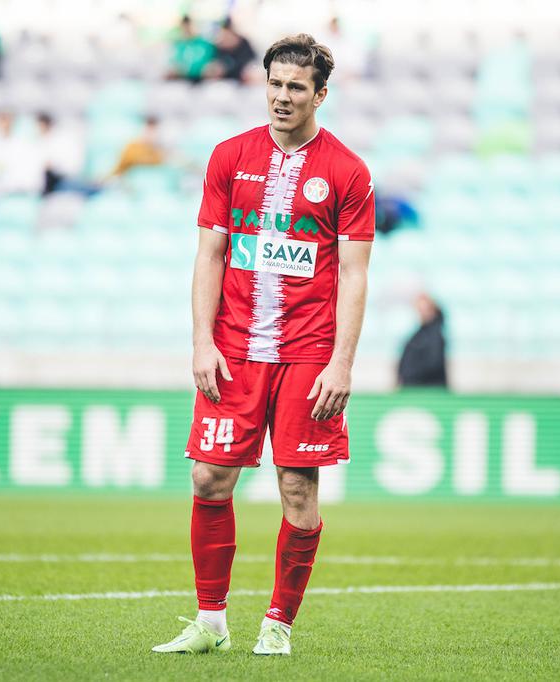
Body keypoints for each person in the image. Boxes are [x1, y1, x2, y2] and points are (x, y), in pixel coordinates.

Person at [152, 33, 374, 657]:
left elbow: (355, 274)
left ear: (320, 95)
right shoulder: (229, 156)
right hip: (235, 347)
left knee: (298, 487)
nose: (281, 96)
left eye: (295, 87)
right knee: (208, 478)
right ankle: (210, 621)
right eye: (274, 83)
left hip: (308, 354)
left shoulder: (348, 172)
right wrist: (202, 342)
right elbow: (211, 254)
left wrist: (342, 363)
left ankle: (277, 624)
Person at [397, 294, 448, 388]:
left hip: (428, 390)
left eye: (425, 309)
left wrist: (410, 376)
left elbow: (433, 364)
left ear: (432, 310)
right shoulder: (420, 334)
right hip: (417, 389)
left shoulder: (435, 335)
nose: (421, 312)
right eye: (419, 309)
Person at [169, 15, 216, 83]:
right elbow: (174, 64)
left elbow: (212, 62)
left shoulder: (205, 44)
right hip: (183, 80)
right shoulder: (179, 46)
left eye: (188, 26)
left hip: (203, 80)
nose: (187, 30)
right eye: (184, 28)